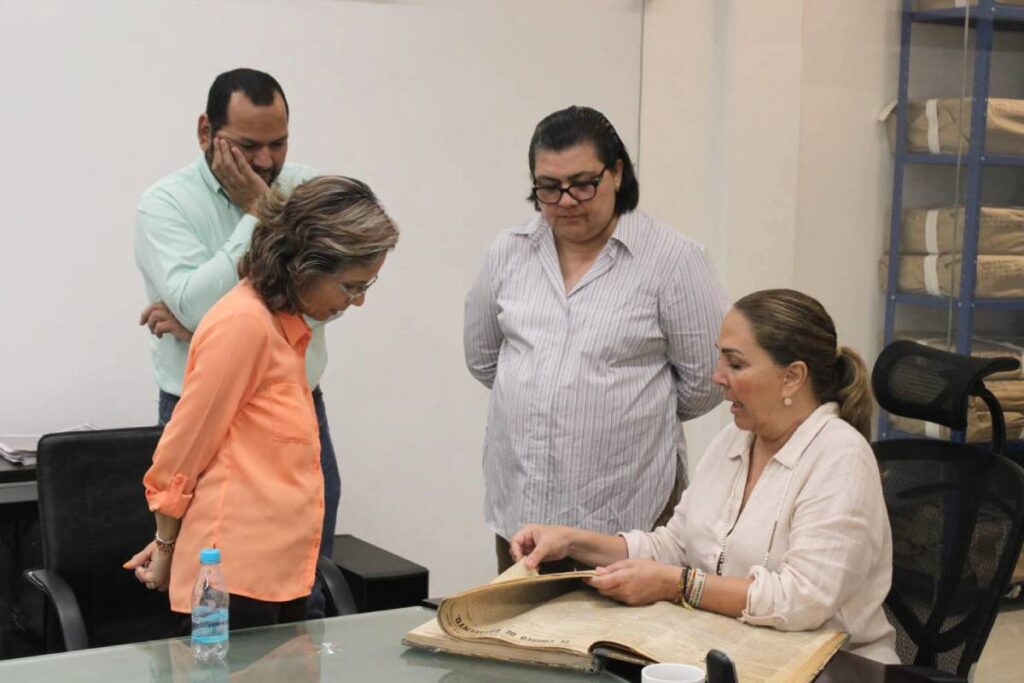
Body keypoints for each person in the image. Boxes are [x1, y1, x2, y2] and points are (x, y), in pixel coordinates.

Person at [510, 289, 899, 663]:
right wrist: (571, 541)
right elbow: (674, 546)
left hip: (836, 667)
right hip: (733, 651)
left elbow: (802, 602)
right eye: (720, 360)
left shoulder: (840, 456)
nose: (717, 377)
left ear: (792, 377)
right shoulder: (734, 440)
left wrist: (677, 584)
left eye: (735, 363)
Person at [125, 176, 399, 630]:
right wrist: (168, 544)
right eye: (351, 287)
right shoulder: (243, 325)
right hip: (233, 584)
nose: (359, 301)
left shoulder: (285, 329)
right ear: (306, 265)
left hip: (277, 576)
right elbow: (184, 447)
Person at [464, 105, 726, 573]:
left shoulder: (673, 260)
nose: (566, 200)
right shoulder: (509, 252)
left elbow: (706, 381)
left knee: (614, 644)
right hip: (521, 516)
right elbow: (484, 359)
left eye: (583, 183)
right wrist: (549, 393)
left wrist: (625, 410)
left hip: (626, 520)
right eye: (548, 187)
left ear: (618, 173)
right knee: (518, 643)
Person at [133, 69, 343, 612]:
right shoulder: (165, 203)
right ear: (206, 132)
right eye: (249, 145)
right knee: (211, 596)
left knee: (302, 580)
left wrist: (200, 327)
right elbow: (199, 306)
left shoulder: (307, 188)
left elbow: (327, 301)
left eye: (279, 143)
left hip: (292, 408)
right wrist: (261, 213)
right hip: (200, 409)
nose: (267, 162)